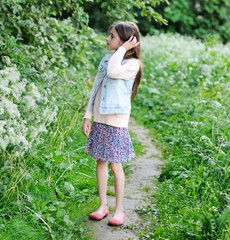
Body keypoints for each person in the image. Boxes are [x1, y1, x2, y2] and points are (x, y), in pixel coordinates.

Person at [81, 21, 142, 226]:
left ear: (126, 41)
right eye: (109, 35)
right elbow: (95, 88)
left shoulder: (132, 64)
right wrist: (87, 115)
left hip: (116, 121)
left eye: (112, 36)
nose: (108, 39)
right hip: (99, 117)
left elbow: (114, 72)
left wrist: (123, 50)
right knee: (100, 161)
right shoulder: (107, 59)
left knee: (116, 165)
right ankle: (103, 205)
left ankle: (119, 209)